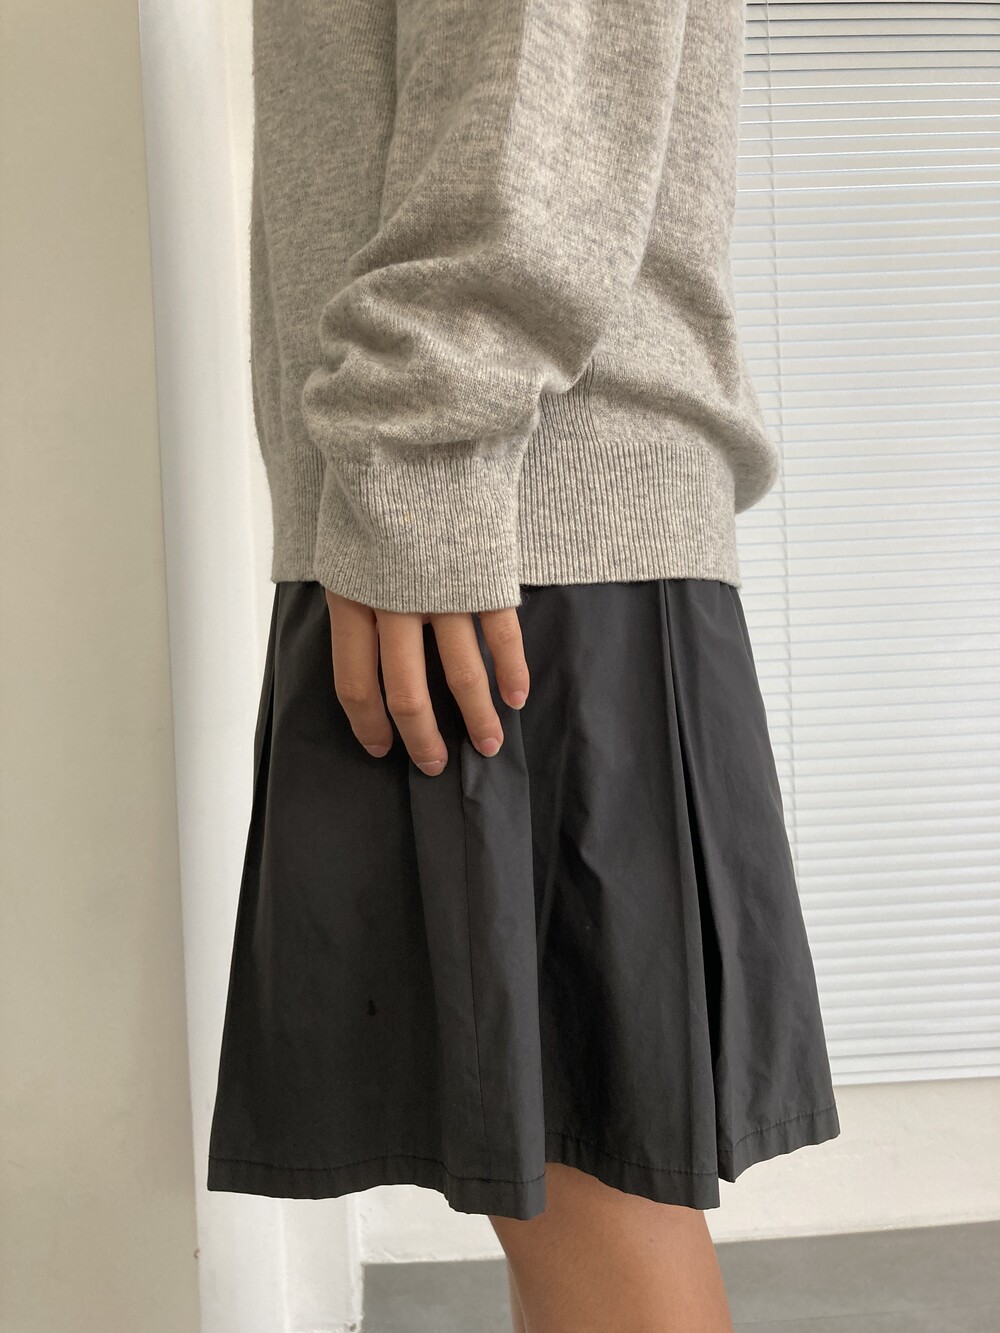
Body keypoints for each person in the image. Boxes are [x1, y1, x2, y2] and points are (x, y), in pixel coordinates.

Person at [206, 0, 842, 1328]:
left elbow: (536, 95)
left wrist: (415, 467)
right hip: (477, 524)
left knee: (582, 1186)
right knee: (552, 1182)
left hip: (505, 534)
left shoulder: (443, 493)